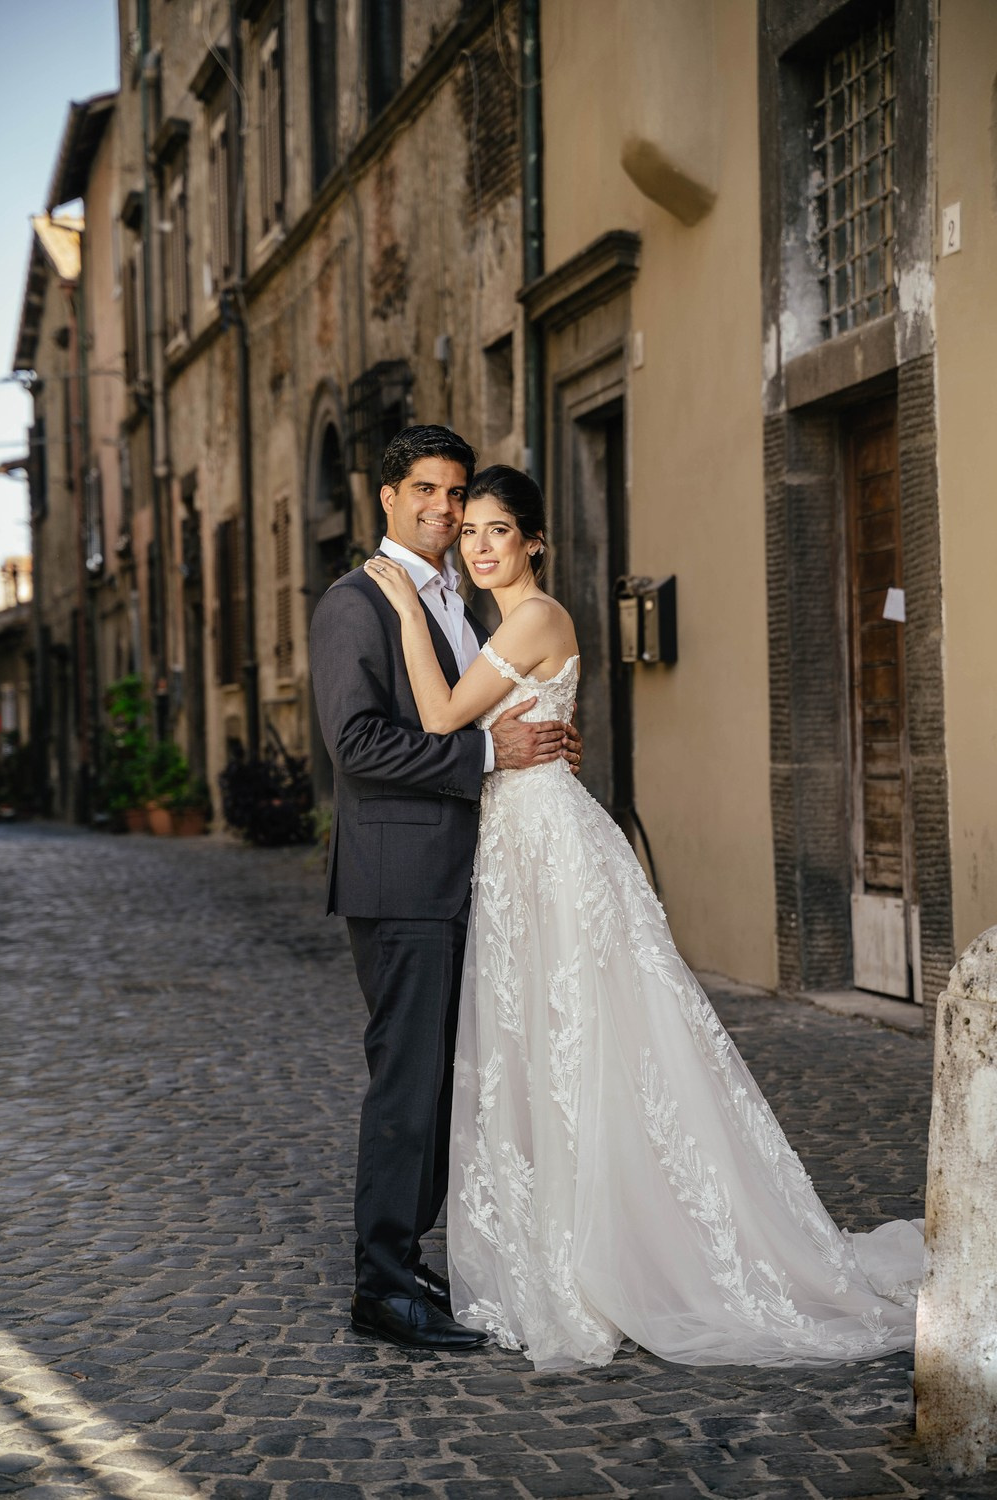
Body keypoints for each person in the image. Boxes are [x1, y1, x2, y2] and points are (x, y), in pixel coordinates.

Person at [363, 463, 924, 1372]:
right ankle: (561, 1238)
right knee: (537, 1042)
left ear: (534, 540)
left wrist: (398, 611)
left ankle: (614, 1251)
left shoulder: (536, 615)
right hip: (512, 845)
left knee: (588, 1042)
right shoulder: (500, 625)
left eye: (498, 530)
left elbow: (435, 715)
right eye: (469, 532)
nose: (479, 545)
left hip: (548, 850)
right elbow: (489, 733)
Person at [309, 427, 581, 1352]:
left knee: (439, 1087)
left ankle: (406, 1256)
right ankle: (381, 1286)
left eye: (456, 492)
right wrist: (484, 752)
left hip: (467, 875)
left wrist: (532, 743)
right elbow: (358, 746)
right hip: (401, 879)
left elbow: (489, 707)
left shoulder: (458, 600)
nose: (443, 507)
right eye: (423, 488)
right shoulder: (357, 602)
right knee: (406, 1083)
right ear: (386, 496)